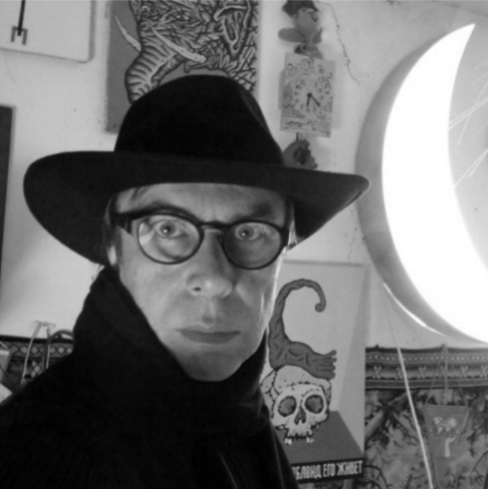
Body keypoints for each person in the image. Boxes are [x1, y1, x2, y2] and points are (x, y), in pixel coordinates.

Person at [0, 75, 368, 488]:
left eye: (250, 232)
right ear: (112, 244)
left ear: (286, 245)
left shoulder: (240, 418)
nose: (214, 279)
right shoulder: (37, 458)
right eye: (168, 229)